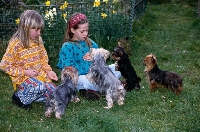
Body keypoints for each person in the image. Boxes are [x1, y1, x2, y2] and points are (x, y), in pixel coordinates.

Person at [0, 10, 58, 109]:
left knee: (57, 93)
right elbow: (4, 65)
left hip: (40, 77)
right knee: (40, 87)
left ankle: (36, 96)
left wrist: (48, 71)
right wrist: (25, 72)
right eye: (36, 30)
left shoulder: (38, 41)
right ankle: (19, 97)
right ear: (25, 28)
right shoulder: (15, 44)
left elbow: (44, 59)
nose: (39, 33)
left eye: (40, 29)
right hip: (24, 79)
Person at [57, 12, 121, 101]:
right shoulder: (67, 46)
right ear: (72, 30)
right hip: (79, 77)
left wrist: (96, 57)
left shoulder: (88, 41)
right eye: (82, 31)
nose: (85, 34)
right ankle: (106, 85)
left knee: (119, 67)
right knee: (86, 81)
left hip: (94, 73)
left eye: (87, 30)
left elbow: (101, 54)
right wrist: (87, 62)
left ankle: (100, 87)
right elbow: (70, 71)